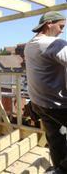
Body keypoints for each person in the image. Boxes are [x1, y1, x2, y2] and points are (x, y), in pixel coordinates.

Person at [24, 11, 67, 174]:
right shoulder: (54, 44)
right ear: (49, 23)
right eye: (61, 26)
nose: (62, 30)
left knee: (56, 140)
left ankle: (57, 168)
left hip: (38, 104)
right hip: (57, 105)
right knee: (56, 138)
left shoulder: (30, 45)